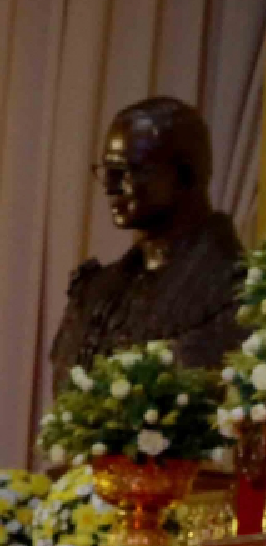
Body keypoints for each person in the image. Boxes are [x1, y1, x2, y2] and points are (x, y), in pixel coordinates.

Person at [50, 97, 244, 384]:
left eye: (129, 170)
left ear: (185, 174)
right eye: (107, 172)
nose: (111, 187)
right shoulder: (94, 290)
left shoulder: (234, 288)